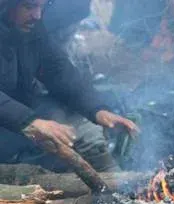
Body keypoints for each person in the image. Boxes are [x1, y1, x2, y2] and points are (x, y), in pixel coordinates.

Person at [0, 0, 138, 172]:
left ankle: (118, 184)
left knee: (83, 128)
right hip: (9, 124)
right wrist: (29, 121)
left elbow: (58, 70)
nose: (37, 15)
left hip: (18, 115)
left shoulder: (32, 30)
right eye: (29, 7)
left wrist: (96, 109)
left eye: (41, 8)